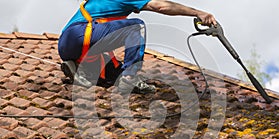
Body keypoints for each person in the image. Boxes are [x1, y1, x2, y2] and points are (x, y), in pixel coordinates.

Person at [58, 0, 217, 93]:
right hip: (82, 35)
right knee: (136, 27)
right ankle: (130, 76)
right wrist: (198, 13)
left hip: (69, 45)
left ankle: (80, 70)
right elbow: (160, 6)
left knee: (114, 76)